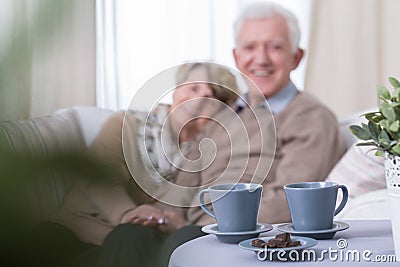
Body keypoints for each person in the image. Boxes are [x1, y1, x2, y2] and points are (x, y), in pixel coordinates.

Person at [43, 62, 240, 267]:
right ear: (176, 89)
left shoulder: (208, 157)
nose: (198, 101)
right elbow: (100, 177)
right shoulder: (126, 124)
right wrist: (127, 214)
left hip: (131, 246)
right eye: (194, 88)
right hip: (77, 232)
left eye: (212, 98)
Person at [182, 2, 347, 225]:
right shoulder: (220, 115)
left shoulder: (311, 118)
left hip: (236, 235)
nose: (261, 59)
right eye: (250, 47)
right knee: (130, 234)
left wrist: (203, 225)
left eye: (275, 47)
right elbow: (184, 184)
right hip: (186, 226)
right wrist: (160, 215)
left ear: (296, 58)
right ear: (236, 57)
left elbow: (288, 203)